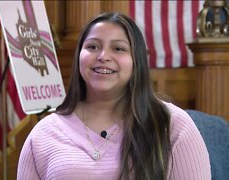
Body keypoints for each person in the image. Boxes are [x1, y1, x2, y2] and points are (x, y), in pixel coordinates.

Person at [17, 12, 211, 180]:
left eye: (118, 48)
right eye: (93, 47)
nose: (103, 56)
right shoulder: (43, 134)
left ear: (137, 61)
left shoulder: (173, 124)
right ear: (79, 56)